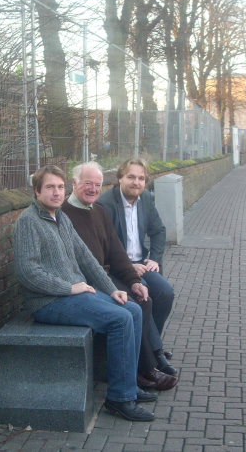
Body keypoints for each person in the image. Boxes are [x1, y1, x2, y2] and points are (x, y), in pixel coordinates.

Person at [13, 165, 156, 422]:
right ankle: (120, 399)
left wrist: (113, 290)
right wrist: (69, 288)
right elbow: (27, 273)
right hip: (48, 301)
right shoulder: (28, 223)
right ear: (37, 191)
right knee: (120, 319)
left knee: (132, 309)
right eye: (49, 187)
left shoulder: (60, 218)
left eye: (59, 187)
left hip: (74, 295)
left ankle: (127, 384)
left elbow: (87, 259)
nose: (56, 193)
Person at [62, 162, 177, 391]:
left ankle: (145, 362)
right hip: (89, 281)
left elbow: (115, 250)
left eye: (97, 184)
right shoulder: (67, 214)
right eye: (88, 184)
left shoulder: (97, 210)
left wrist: (134, 281)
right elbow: (87, 264)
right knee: (134, 305)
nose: (93, 189)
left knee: (152, 295)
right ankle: (144, 369)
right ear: (73, 183)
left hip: (114, 272)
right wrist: (124, 280)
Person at [96, 159, 175, 377]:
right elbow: (103, 246)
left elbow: (159, 230)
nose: (136, 182)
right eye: (131, 177)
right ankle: (155, 355)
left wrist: (155, 259)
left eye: (141, 178)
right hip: (119, 270)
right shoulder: (105, 205)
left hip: (143, 263)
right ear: (119, 178)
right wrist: (128, 266)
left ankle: (149, 346)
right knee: (143, 300)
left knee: (166, 293)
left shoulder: (146, 199)